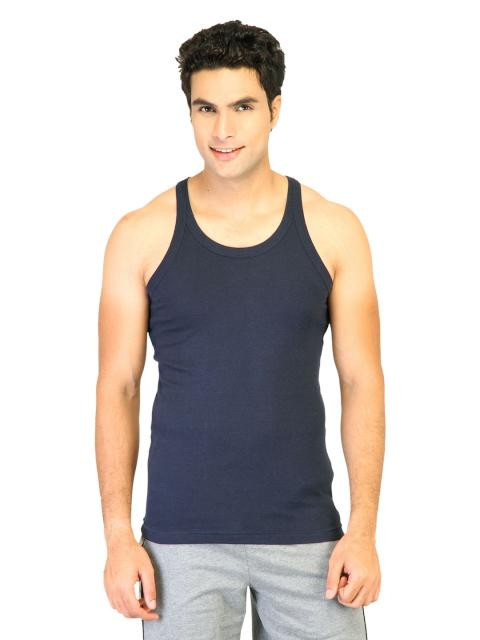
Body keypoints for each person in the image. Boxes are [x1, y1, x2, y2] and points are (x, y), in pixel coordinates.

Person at [95, 19, 384, 640]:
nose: (222, 130)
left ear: (274, 110)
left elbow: (361, 380)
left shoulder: (334, 230)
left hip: (310, 539)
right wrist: (118, 538)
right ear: (190, 112)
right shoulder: (140, 235)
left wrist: (362, 531)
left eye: (243, 107)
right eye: (206, 108)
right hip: (181, 543)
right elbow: (118, 385)